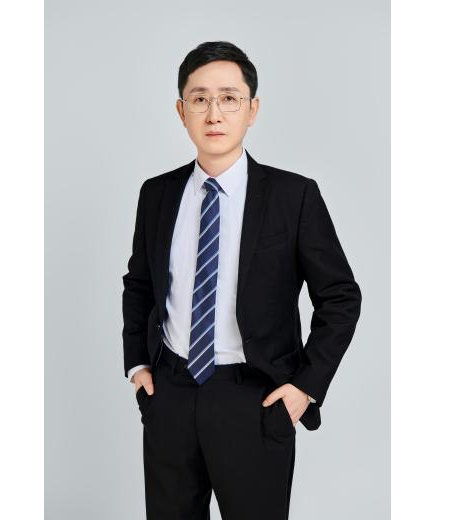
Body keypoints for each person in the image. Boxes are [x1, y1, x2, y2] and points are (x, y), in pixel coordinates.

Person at [122, 40, 362, 520]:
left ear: (252, 110)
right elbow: (140, 283)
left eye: (229, 98)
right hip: (171, 394)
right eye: (200, 99)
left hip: (254, 397)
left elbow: (340, 297)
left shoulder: (293, 196)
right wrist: (138, 366)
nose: (214, 113)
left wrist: (304, 387)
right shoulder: (157, 194)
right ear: (182, 111)